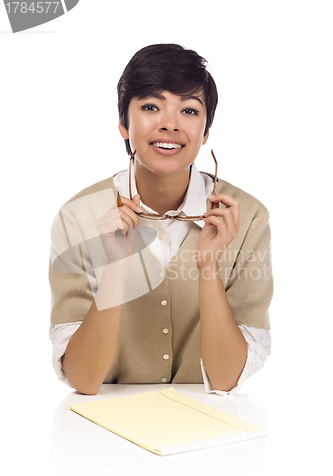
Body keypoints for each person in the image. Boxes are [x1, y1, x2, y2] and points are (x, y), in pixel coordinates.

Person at [49, 43, 273, 396]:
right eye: (151, 106)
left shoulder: (246, 217)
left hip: (213, 433)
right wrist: (115, 270)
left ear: (206, 132)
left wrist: (209, 266)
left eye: (188, 110)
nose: (169, 124)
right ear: (123, 124)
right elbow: (83, 379)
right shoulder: (77, 217)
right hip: (98, 436)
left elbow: (226, 380)